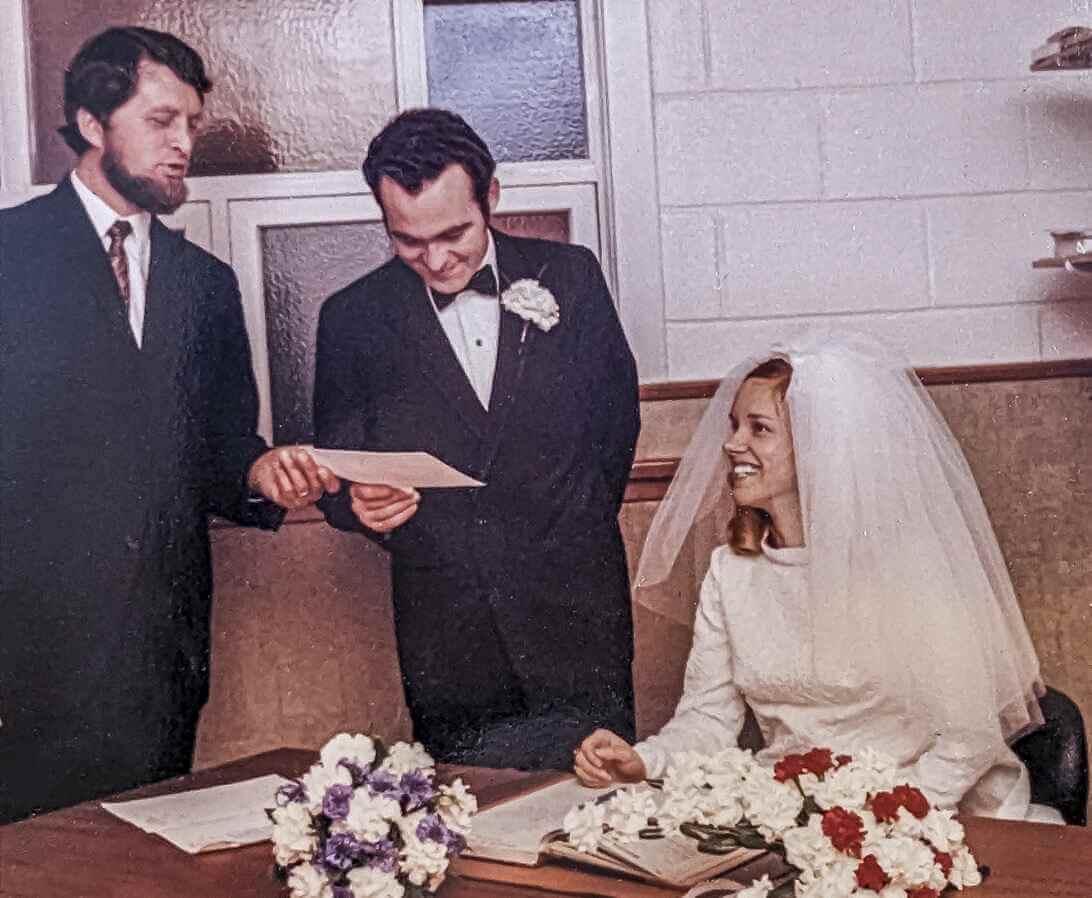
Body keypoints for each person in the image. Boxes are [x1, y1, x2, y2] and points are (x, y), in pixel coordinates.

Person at [0, 27, 338, 822]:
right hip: (23, 662)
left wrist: (263, 475)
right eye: (161, 122)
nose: (184, 144)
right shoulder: (7, 256)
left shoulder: (206, 285)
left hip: (159, 663)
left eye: (192, 124)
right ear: (91, 123)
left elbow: (223, 451)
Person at [573, 334, 1059, 822]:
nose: (732, 443)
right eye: (735, 425)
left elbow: (969, 739)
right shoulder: (731, 571)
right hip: (789, 811)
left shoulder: (907, 570)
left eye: (758, 429)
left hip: (925, 812)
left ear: (820, 446)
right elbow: (709, 718)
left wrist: (882, 818)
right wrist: (643, 760)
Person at [314, 108, 640, 769]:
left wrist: (560, 534)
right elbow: (337, 471)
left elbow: (615, 431)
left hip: (578, 618)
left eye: (453, 233)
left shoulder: (570, 279)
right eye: (406, 240)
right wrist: (358, 504)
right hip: (449, 638)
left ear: (491, 197)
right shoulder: (352, 319)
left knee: (598, 824)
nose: (433, 259)